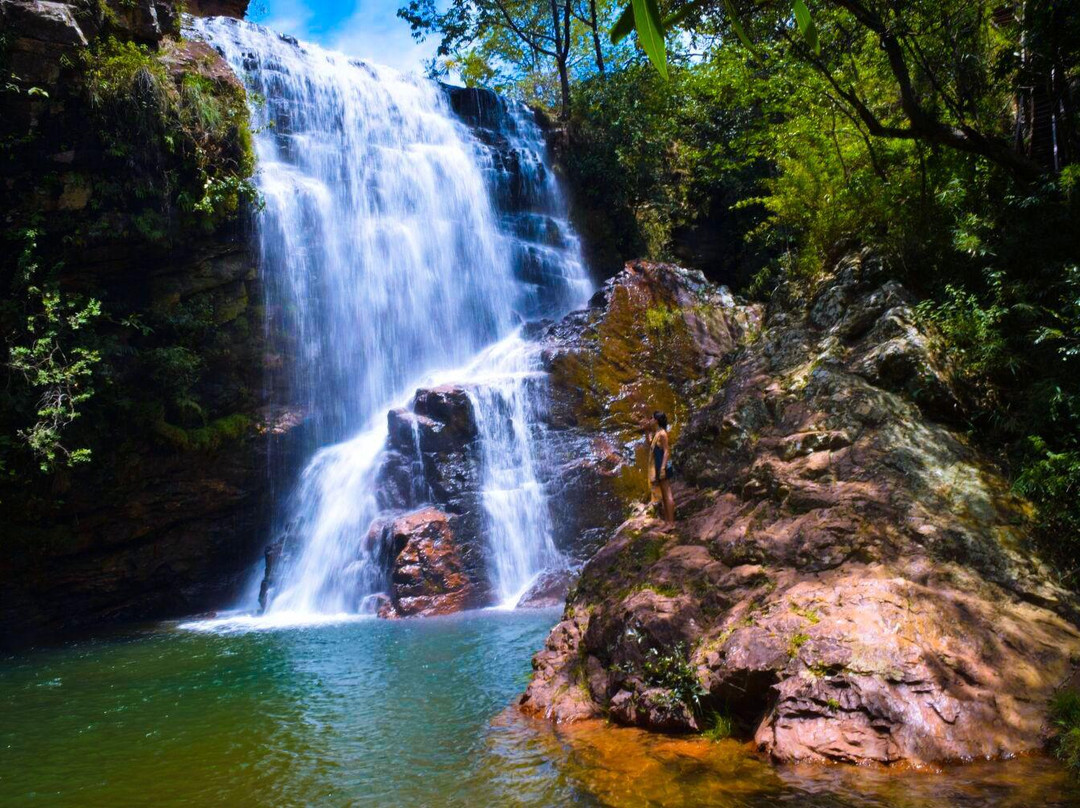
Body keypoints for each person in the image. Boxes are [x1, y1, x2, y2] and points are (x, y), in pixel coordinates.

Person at [650, 410, 675, 524]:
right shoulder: (657, 432)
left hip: (663, 465)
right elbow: (651, 445)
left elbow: (666, 452)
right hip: (659, 464)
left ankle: (671, 523)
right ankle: (668, 522)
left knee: (667, 494)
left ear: (656, 420)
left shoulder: (663, 433)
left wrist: (663, 468)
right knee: (664, 496)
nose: (650, 420)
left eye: (652, 418)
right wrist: (647, 431)